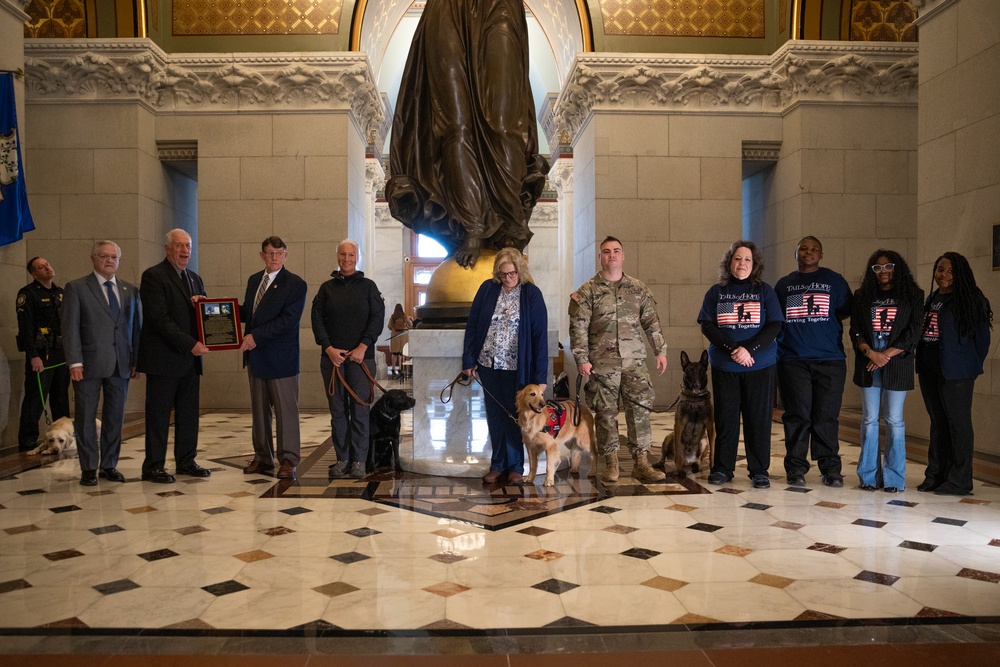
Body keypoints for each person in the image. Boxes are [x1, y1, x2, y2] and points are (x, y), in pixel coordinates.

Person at [385, 0, 549, 267]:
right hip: (446, 7)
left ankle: (509, 224)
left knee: (504, 126)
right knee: (453, 126)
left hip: (498, 6)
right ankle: (471, 226)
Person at [570, 236, 667, 484]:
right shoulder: (587, 291)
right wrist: (582, 359)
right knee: (605, 413)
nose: (611, 255)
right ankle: (611, 463)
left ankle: (641, 463)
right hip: (602, 365)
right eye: (606, 251)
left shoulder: (638, 289)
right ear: (600, 257)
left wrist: (660, 351)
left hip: (635, 362)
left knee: (640, 411)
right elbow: (578, 328)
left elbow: (651, 322)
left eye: (616, 251)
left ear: (623, 256)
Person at [699, 240, 784, 489]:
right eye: (737, 258)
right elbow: (707, 325)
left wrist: (749, 349)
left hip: (760, 366)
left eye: (747, 259)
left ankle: (759, 470)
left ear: (754, 264)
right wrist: (734, 350)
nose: (742, 263)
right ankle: (723, 468)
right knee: (726, 419)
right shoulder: (716, 292)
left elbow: (775, 326)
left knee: (758, 419)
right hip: (726, 366)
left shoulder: (765, 291)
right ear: (729, 262)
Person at [463, 247, 548, 484]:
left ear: (520, 271)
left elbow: (540, 337)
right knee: (494, 415)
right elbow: (473, 325)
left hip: (517, 367)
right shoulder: (487, 290)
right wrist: (468, 360)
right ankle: (497, 464)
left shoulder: (531, 294)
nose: (508, 279)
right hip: (488, 364)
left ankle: (515, 466)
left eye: (512, 273)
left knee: (515, 417)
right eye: (503, 274)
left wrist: (541, 376)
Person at [774, 236, 853, 487]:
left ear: (821, 254)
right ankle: (796, 468)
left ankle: (830, 468)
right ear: (795, 254)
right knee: (797, 415)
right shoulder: (784, 285)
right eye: (803, 249)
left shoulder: (834, 281)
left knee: (826, 416)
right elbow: (776, 319)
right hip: (793, 361)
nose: (809, 253)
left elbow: (843, 310)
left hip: (829, 360)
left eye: (814, 249)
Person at [61, 241, 142, 486]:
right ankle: (88, 468)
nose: (109, 260)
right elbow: (70, 327)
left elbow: (135, 329)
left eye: (114, 257)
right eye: (104, 256)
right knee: (85, 416)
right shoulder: (77, 288)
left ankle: (109, 465)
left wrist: (136, 360)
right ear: (93, 258)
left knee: (115, 416)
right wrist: (74, 361)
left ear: (119, 260)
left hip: (121, 365)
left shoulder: (130, 290)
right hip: (88, 364)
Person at [136, 229, 211, 484]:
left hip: (190, 362)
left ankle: (186, 461)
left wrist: (202, 306)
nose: (185, 251)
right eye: (179, 246)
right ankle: (154, 466)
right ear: (167, 249)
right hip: (164, 360)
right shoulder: (154, 276)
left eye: (188, 246)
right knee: (158, 416)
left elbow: (205, 317)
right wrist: (190, 344)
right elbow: (159, 319)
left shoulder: (194, 278)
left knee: (189, 414)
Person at [916, 252, 992, 496]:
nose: (944, 275)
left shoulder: (971, 299)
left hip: (957, 372)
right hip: (930, 369)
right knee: (938, 423)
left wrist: (967, 365)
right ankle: (937, 474)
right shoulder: (932, 298)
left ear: (960, 274)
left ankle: (959, 480)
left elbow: (982, 340)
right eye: (940, 270)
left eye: (950, 271)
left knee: (958, 424)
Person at [849, 249, 924, 493]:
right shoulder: (862, 296)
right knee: (869, 420)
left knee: (894, 420)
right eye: (878, 267)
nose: (883, 271)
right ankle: (868, 476)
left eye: (888, 266)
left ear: (897, 268)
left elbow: (914, 332)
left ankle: (894, 478)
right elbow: (856, 330)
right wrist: (870, 353)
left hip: (897, 364)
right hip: (869, 361)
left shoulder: (912, 295)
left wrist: (885, 355)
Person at [312, 239, 385, 479]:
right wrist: (328, 348)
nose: (347, 259)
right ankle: (342, 458)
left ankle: (359, 461)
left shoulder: (369, 287)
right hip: (333, 359)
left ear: (357, 257)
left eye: (351, 255)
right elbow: (317, 320)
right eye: (343, 254)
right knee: (338, 412)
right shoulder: (326, 289)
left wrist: (363, 346)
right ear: (337, 257)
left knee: (360, 411)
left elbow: (377, 319)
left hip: (361, 359)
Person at [239, 237, 307, 480]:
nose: (274, 257)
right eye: (270, 253)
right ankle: (262, 457)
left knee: (285, 412)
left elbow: (288, 321)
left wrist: (255, 337)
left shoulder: (295, 284)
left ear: (286, 255)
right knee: (259, 411)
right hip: (256, 356)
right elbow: (249, 311)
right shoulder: (254, 280)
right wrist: (212, 309)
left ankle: (288, 459)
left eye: (279, 253)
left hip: (282, 359)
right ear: (262, 255)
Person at [16, 257, 70, 452]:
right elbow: (25, 329)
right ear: (33, 273)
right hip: (41, 354)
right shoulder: (28, 294)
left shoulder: (61, 293)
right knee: (35, 399)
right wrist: (33, 356)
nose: (47, 268)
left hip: (61, 353)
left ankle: (62, 437)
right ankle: (27, 441)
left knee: (61, 398)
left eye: (48, 264)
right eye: (41, 267)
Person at [387, 303, 412, 377]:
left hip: (395, 337)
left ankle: (394, 369)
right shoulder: (404, 316)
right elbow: (410, 325)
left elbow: (389, 326)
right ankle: (401, 369)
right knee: (401, 354)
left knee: (394, 354)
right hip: (403, 336)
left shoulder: (393, 317)